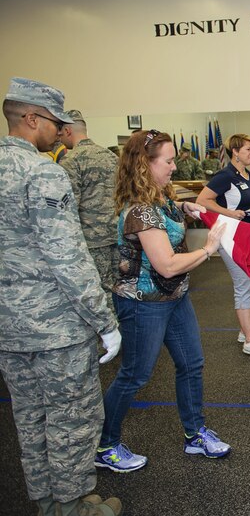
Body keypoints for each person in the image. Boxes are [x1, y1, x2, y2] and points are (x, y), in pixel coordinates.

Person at [0, 77, 122, 516]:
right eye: (54, 121)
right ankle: (72, 507)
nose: (59, 130)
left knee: (29, 420)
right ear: (31, 119)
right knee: (71, 419)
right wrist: (104, 322)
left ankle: (47, 501)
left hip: (8, 329)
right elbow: (67, 256)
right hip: (56, 326)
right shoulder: (43, 172)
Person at [96, 129, 231, 474]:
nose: (174, 166)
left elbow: (175, 210)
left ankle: (194, 433)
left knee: (192, 364)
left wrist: (184, 206)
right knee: (135, 375)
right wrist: (208, 249)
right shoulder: (140, 211)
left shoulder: (160, 198)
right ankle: (105, 444)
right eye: (168, 161)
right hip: (143, 304)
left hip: (174, 297)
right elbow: (167, 264)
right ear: (145, 164)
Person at [196, 133, 250, 357]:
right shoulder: (224, 175)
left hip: (247, 234)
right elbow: (202, 200)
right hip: (229, 236)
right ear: (235, 152)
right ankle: (249, 341)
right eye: (248, 150)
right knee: (244, 283)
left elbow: (248, 201)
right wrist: (228, 212)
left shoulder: (247, 174)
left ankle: (245, 329)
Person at [58, 109, 121, 316]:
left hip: (92, 241)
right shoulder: (111, 156)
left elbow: (68, 208)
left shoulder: (71, 161)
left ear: (67, 130)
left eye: (60, 132)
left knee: (99, 291)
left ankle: (110, 340)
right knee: (119, 288)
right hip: (117, 234)